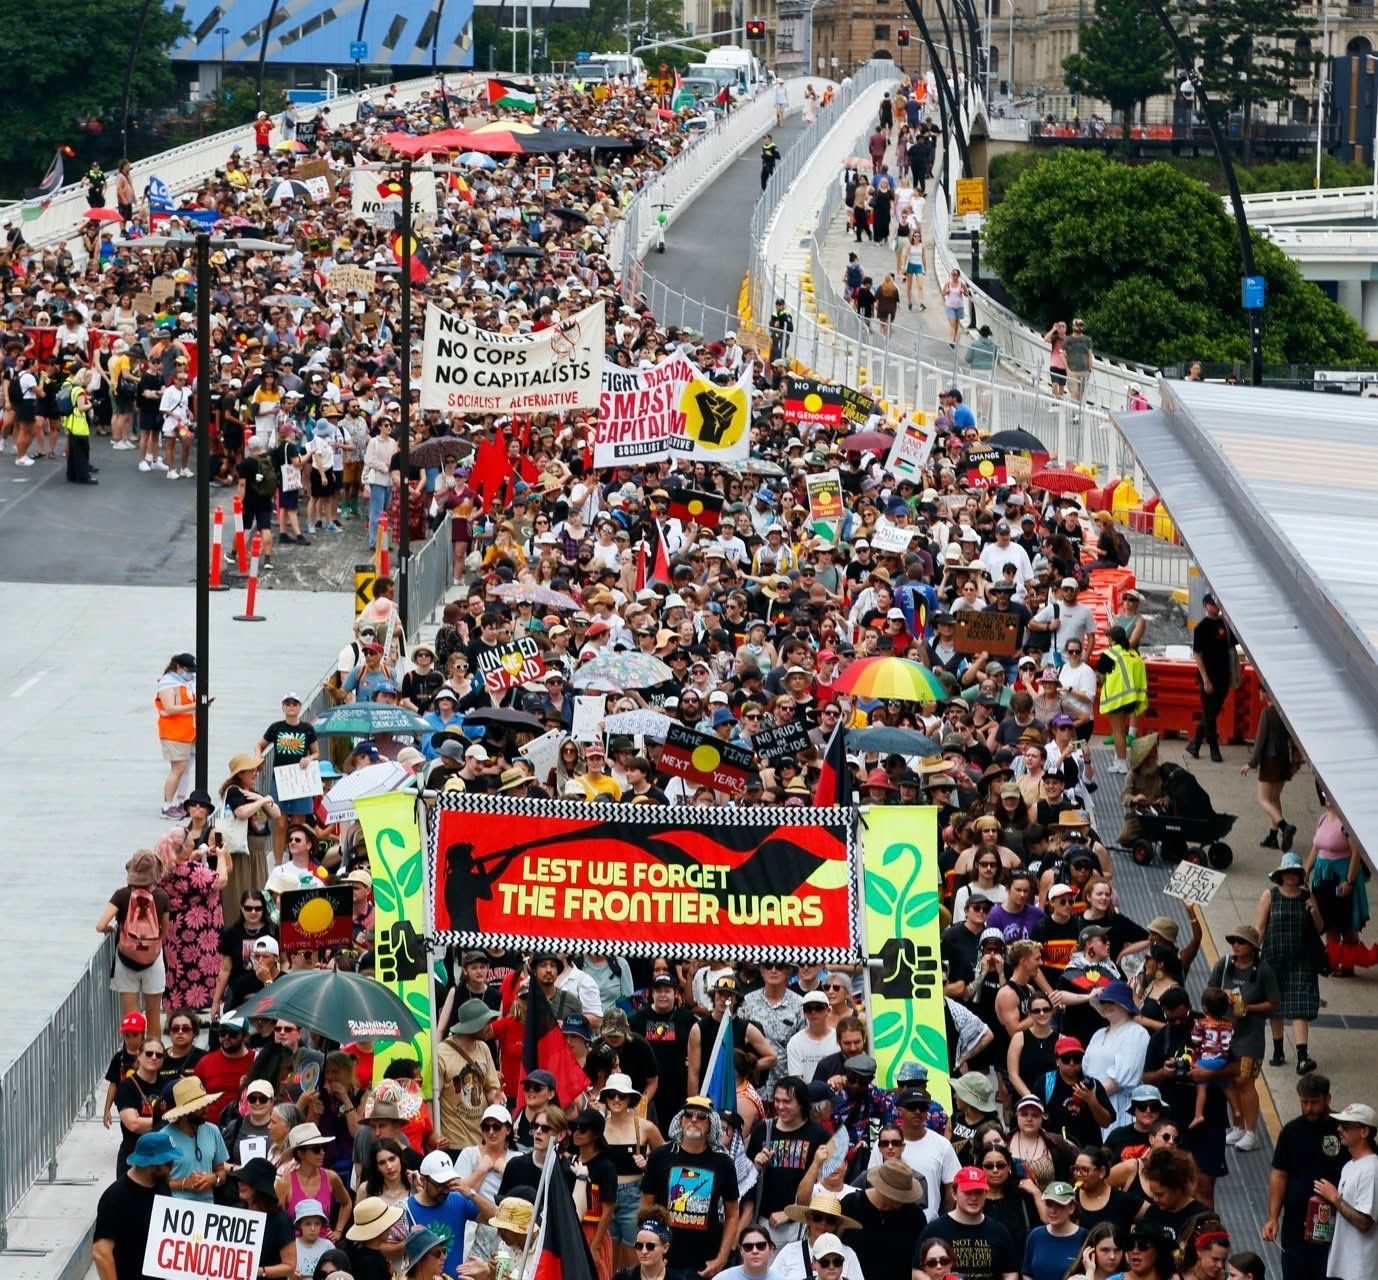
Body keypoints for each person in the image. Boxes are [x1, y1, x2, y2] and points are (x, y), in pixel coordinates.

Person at [1263, 1073, 1348, 1280]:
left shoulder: (1344, 1131)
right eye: (1304, 1102)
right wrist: (1273, 1217)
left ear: (1327, 1099)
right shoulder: (1291, 1132)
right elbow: (1279, 1175)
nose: (1309, 1108)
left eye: (1314, 1102)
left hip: (1335, 1225)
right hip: (1296, 1225)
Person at [639, 1099, 738, 1276]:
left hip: (704, 1264)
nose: (693, 1119)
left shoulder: (724, 1162)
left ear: (711, 1124)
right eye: (688, 1114)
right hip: (664, 1260)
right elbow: (646, 1207)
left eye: (701, 1116)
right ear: (680, 1120)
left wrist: (722, 1258)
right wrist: (649, 1249)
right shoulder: (659, 1156)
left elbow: (732, 1214)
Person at [1255, 850, 1325, 1073]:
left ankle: (1303, 1056)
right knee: (1275, 1006)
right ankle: (1278, 1050)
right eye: (1288, 873)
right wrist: (1252, 954)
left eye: (1295, 872)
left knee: (1300, 1006)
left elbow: (1320, 928)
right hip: (1273, 957)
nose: (1291, 877)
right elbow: (1260, 928)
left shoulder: (1307, 896)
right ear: (1281, 875)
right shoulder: (1270, 895)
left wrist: (1314, 911)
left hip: (1302, 959)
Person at [92, 1131, 178, 1280]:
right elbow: (101, 1253)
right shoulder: (115, 1198)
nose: (174, 1165)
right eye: (169, 1162)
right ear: (153, 1165)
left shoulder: (162, 1187)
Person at [916, 1165, 1020, 1280]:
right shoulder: (934, 1230)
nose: (974, 1197)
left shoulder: (999, 1231)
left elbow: (1010, 1273)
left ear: (986, 1194)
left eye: (979, 1192)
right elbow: (916, 1272)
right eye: (967, 1192)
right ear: (954, 1194)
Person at [1315, 1102, 1378, 1280]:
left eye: (1346, 1125)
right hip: (1346, 1267)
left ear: (1364, 1132)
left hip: (1362, 1270)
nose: (1339, 1129)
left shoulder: (1372, 1169)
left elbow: (1365, 1222)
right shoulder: (1349, 1166)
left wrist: (1334, 1197)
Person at [161, 1077, 229, 1200]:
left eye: (205, 1104)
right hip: (173, 1212)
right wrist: (185, 1183)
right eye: (200, 1106)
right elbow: (156, 1183)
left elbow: (221, 1172)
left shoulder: (213, 1131)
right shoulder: (163, 1138)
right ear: (186, 1111)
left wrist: (214, 1179)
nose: (206, 1109)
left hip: (206, 1211)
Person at [1186, 595, 1236, 764]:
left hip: (1224, 675)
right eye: (1213, 604)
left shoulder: (1226, 625)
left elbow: (1232, 650)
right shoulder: (1201, 628)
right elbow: (1198, 655)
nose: (1217, 606)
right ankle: (1213, 748)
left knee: (1212, 712)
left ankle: (1195, 743)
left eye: (1218, 603)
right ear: (1206, 605)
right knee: (1209, 712)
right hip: (1209, 676)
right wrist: (1205, 679)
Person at [1019, 1180, 1084, 1280]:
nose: (1053, 1211)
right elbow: (1027, 1273)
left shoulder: (1085, 1237)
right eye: (1049, 1204)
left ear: (1071, 1208)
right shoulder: (1035, 1236)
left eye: (1059, 1205)